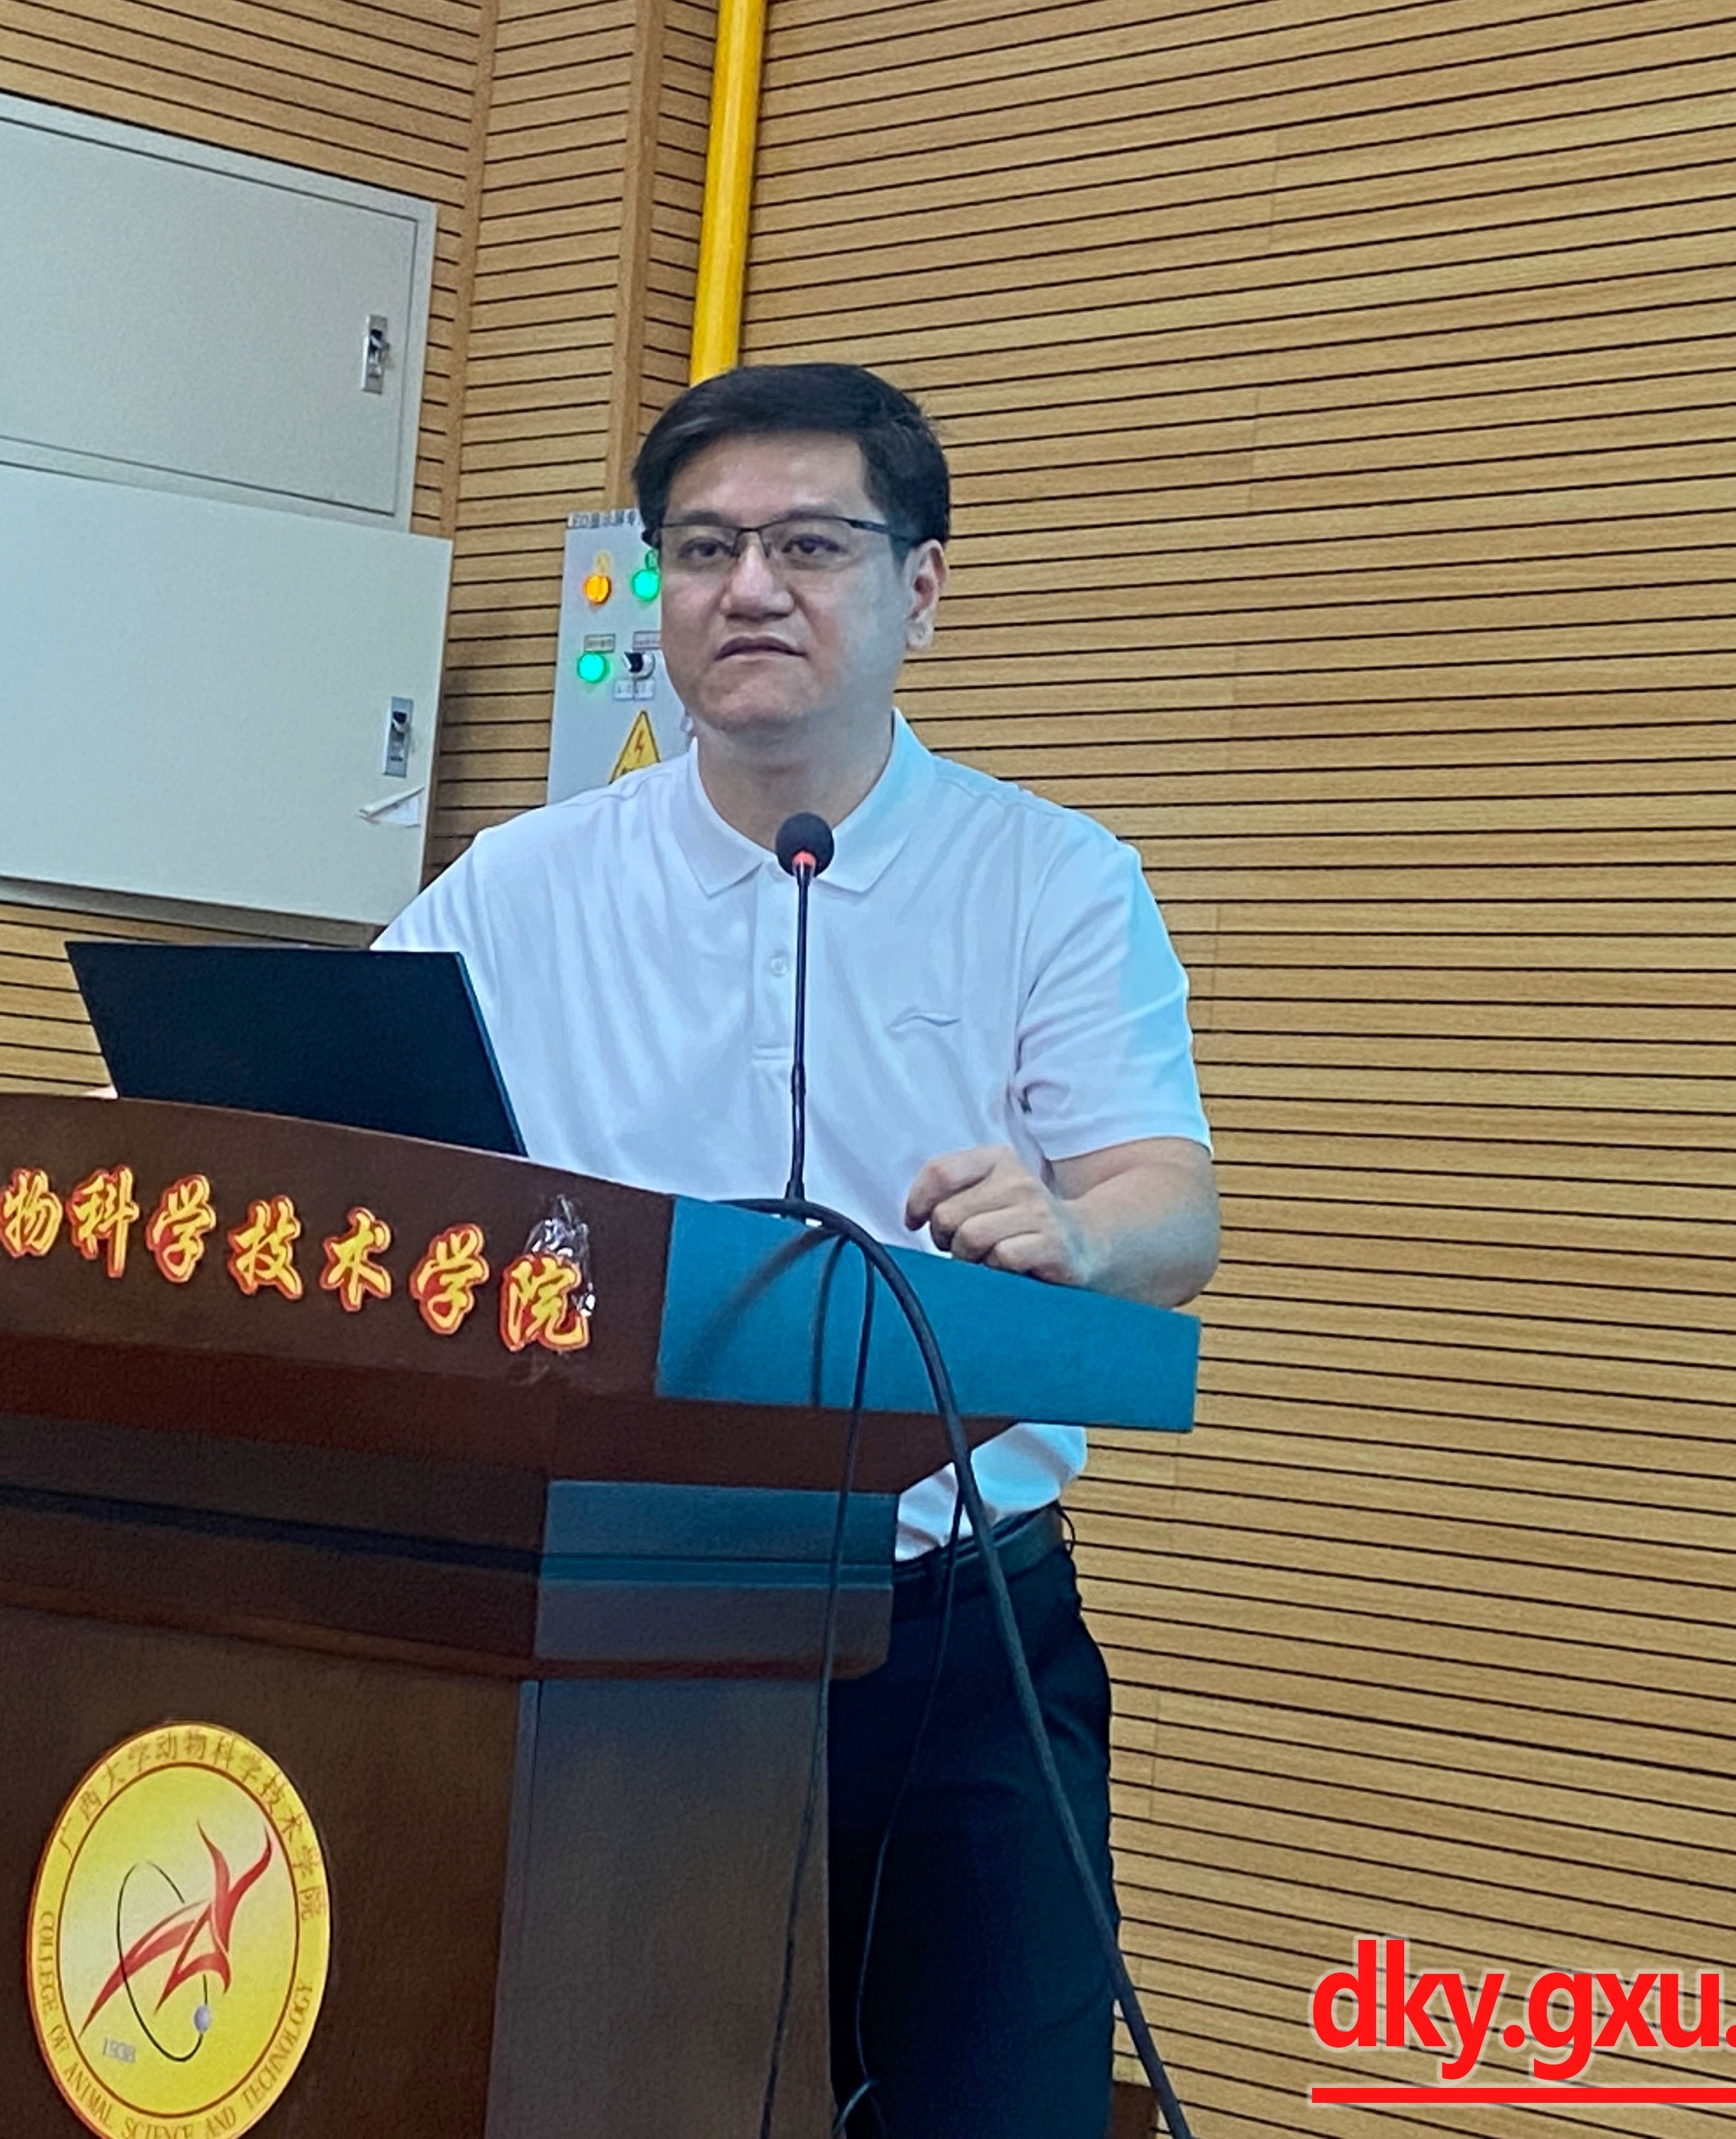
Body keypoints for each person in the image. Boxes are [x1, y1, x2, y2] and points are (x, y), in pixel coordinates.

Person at [379, 361, 1216, 2138]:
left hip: (952, 1635)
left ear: (922, 587)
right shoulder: (518, 888)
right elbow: (333, 1133)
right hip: (612, 1639)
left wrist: (1075, 1229)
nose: (747, 588)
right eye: (701, 550)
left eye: (810, 545)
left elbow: (1174, 1206)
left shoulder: (1051, 878)